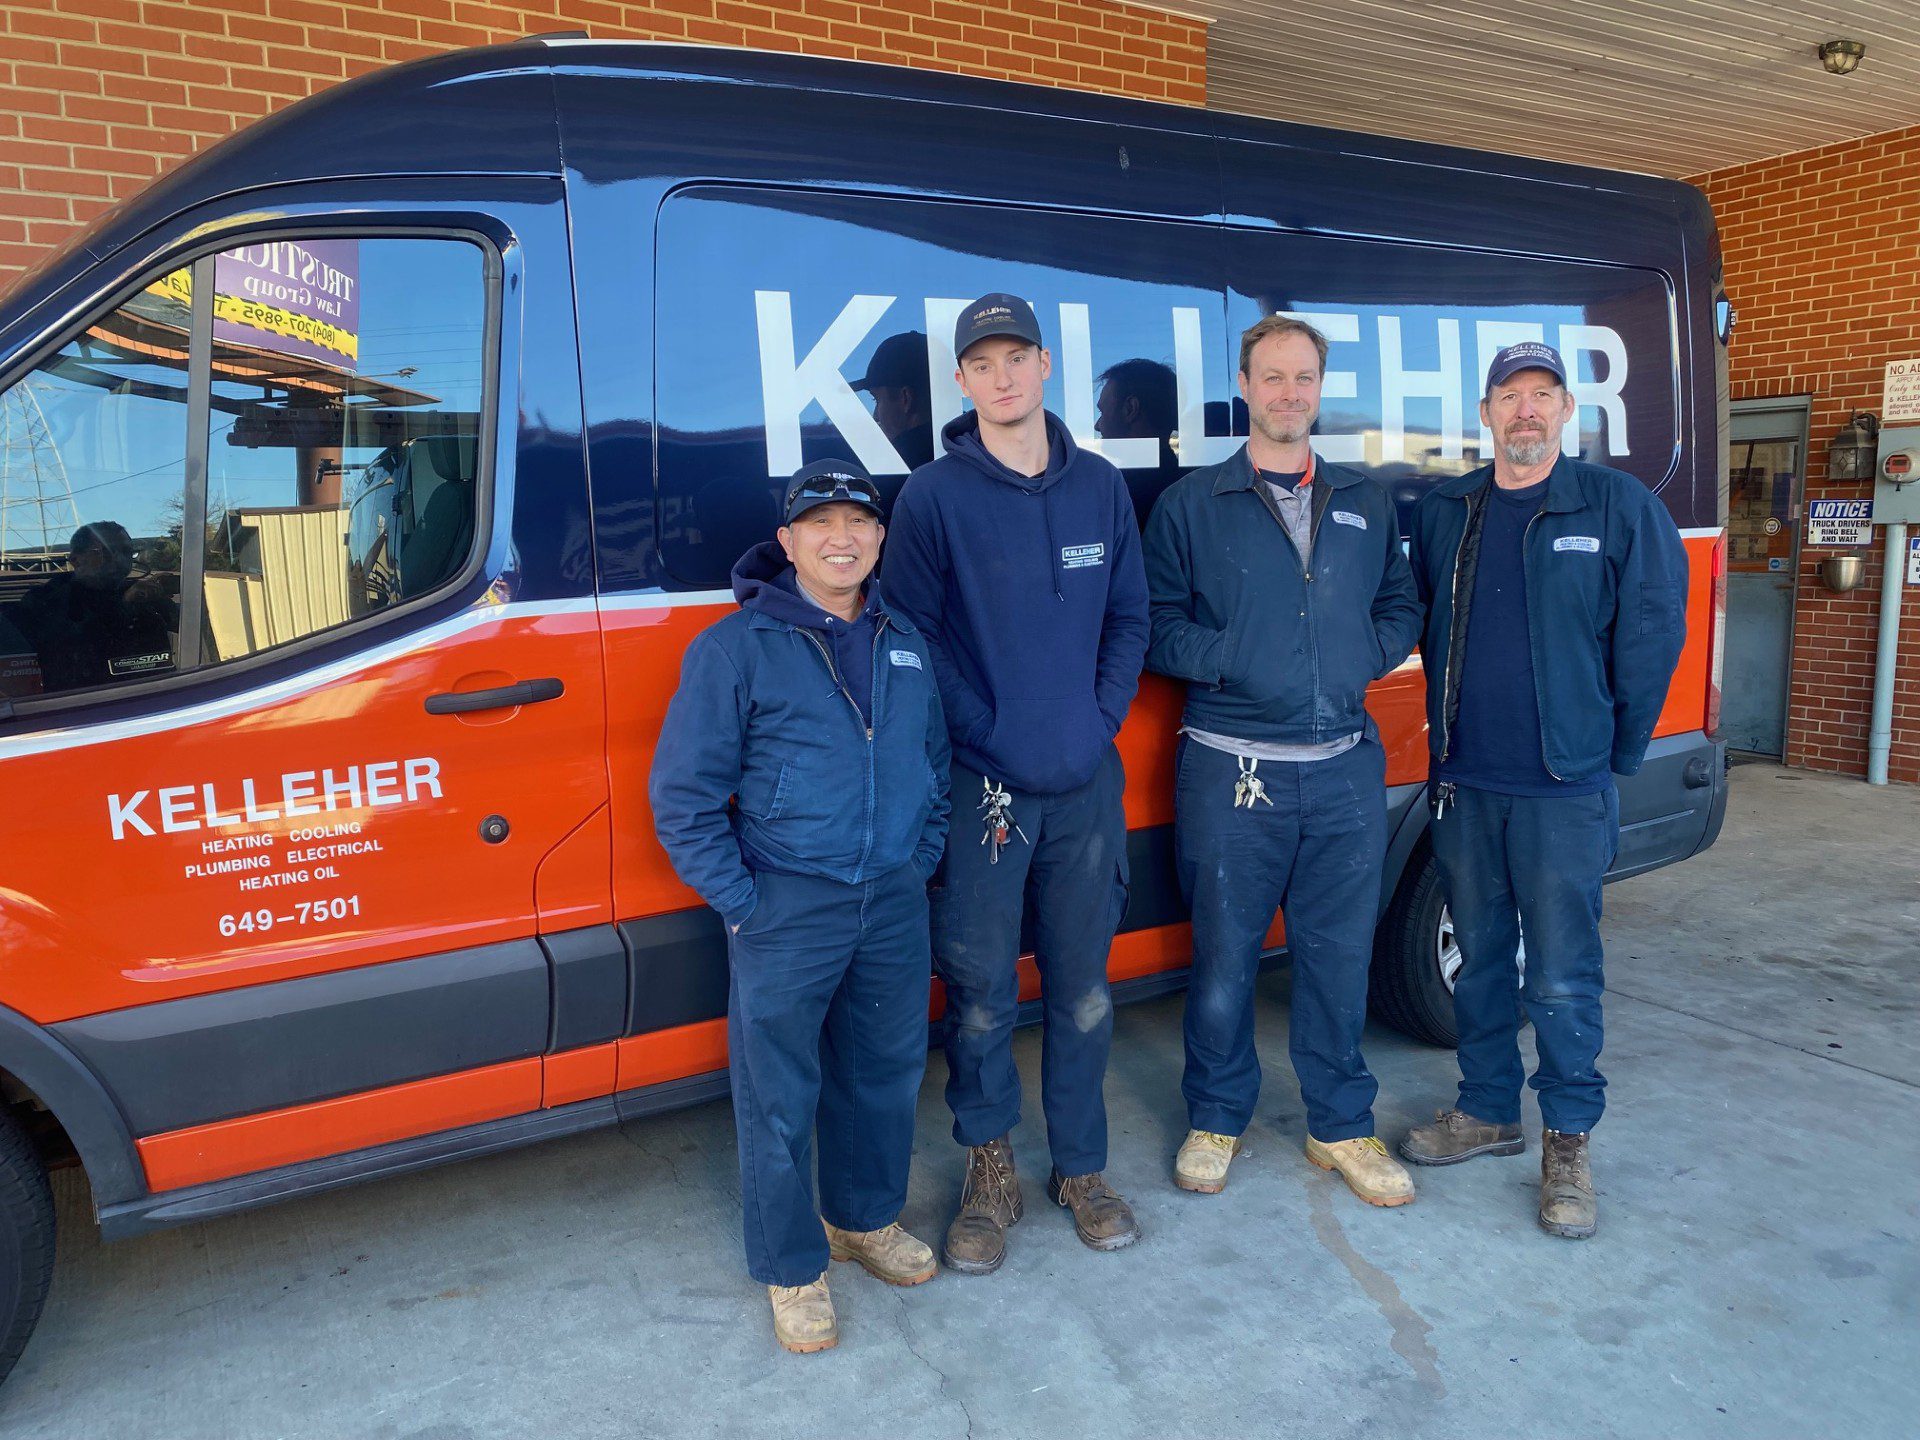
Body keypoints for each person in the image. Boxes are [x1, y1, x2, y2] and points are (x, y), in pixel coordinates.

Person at [649, 459, 951, 1352]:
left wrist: (919, 857)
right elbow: (685, 798)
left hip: (893, 898)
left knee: (886, 1074)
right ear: (787, 543)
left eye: (859, 521)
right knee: (778, 1097)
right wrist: (747, 903)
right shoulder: (736, 648)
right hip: (789, 904)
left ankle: (862, 1220)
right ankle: (792, 1267)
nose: (842, 537)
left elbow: (933, 766)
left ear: (879, 537)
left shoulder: (905, 637)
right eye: (820, 524)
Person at [884, 292, 1150, 1273]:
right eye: (982, 364)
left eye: (1016, 359)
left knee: (1083, 992)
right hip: (982, 790)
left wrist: (1097, 719)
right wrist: (987, 730)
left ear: (1045, 367)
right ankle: (988, 1171)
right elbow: (910, 636)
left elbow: (1129, 616)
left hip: (1085, 784)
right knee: (984, 994)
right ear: (962, 382)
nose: (1002, 378)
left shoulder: (1101, 490)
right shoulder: (933, 500)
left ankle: (1080, 1167)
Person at [1398, 342, 1687, 1240]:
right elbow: (1413, 619)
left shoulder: (1616, 507)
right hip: (1467, 784)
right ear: (1485, 414)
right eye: (1509, 397)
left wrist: (1612, 753)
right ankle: (1487, 1108)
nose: (1526, 411)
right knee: (1482, 959)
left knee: (1561, 977)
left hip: (1563, 787)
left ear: (1568, 411)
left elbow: (1650, 639)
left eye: (1542, 395)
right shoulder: (1450, 510)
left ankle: (1568, 1137)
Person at [1143, 316, 1423, 1206]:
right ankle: (1216, 1115)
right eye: (1273, 378)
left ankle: (1340, 1126)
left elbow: (1400, 603)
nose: (1289, 394)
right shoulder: (1195, 503)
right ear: (1246, 385)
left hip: (1343, 766)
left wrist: (1356, 660)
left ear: (1318, 389)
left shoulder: (1362, 501)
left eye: (1304, 378)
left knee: (1338, 958)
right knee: (1224, 958)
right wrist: (1235, 660)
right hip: (1233, 771)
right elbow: (1153, 622)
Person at [15, 520, 175, 693]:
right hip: (81, 704)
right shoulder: (47, 599)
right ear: (76, 560)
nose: (119, 559)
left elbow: (191, 634)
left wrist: (164, 601)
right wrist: (125, 605)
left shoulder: (140, 593)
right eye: (106, 552)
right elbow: (75, 650)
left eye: (127, 551)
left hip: (157, 694)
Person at [852, 330, 937, 498]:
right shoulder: (973, 453)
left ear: (906, 398)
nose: (875, 416)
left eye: (876, 400)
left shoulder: (887, 473)